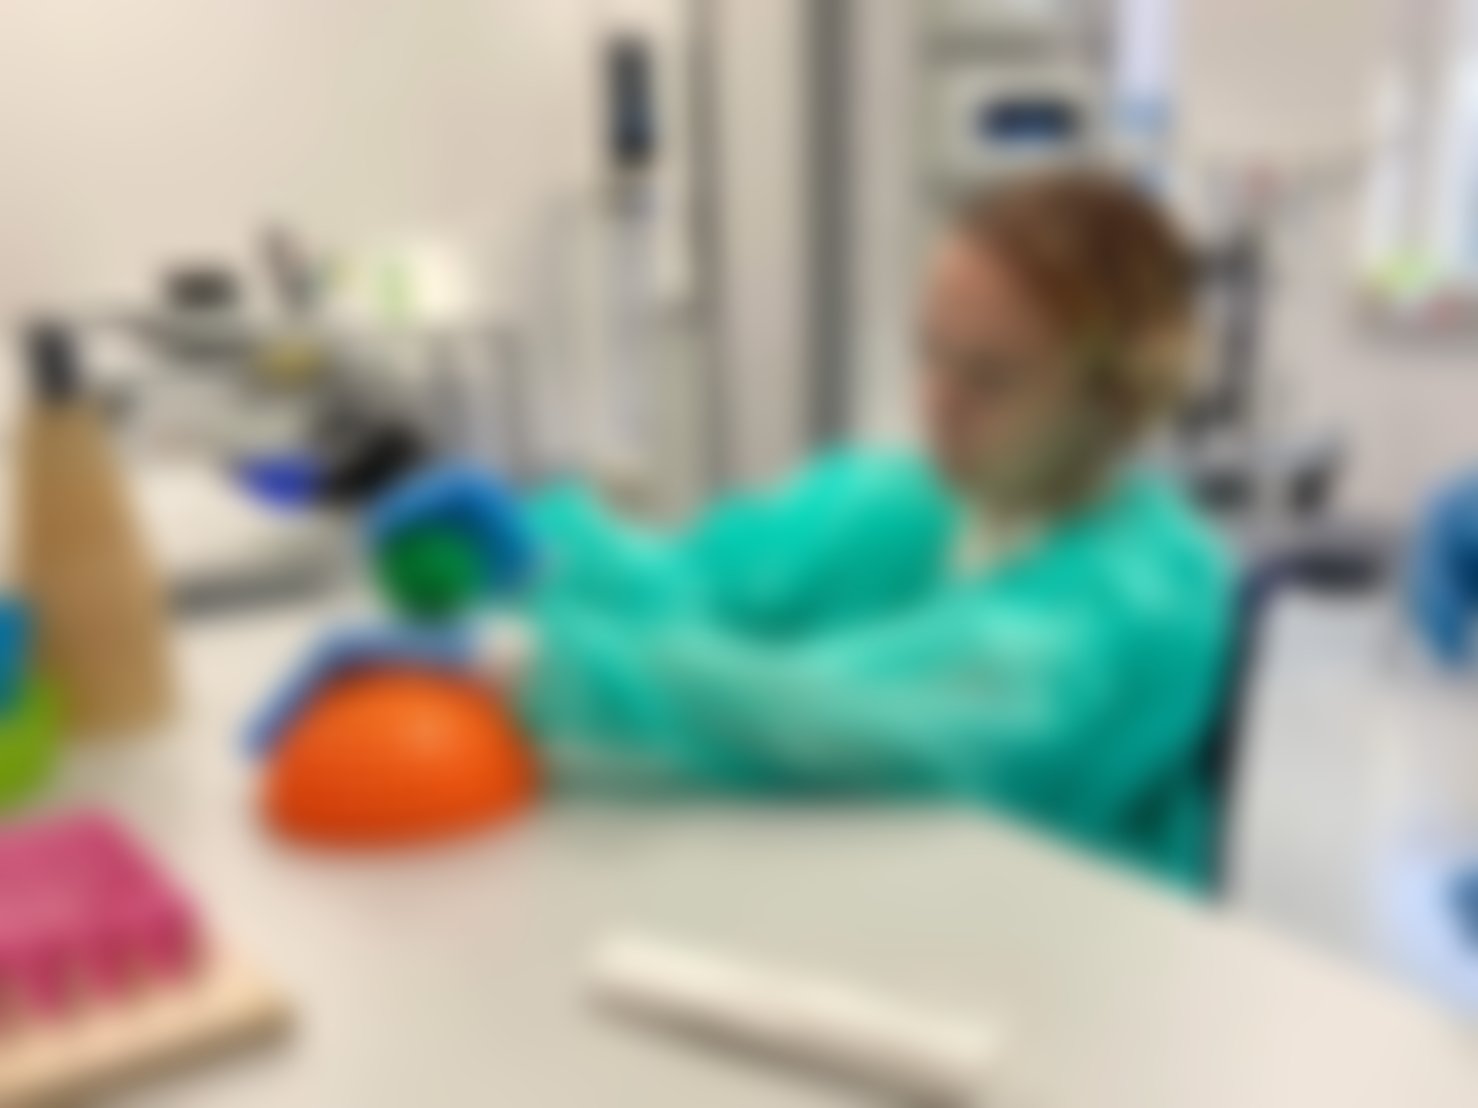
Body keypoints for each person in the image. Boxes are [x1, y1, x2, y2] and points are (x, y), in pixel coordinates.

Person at [254, 169, 1235, 889]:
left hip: (1049, 996)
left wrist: (526, 666)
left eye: (986, 377)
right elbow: (701, 585)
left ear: (1115, 397)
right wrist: (536, 553)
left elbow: (861, 719)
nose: (936, 402)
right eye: (929, 353)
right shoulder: (923, 500)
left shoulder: (1146, 599)